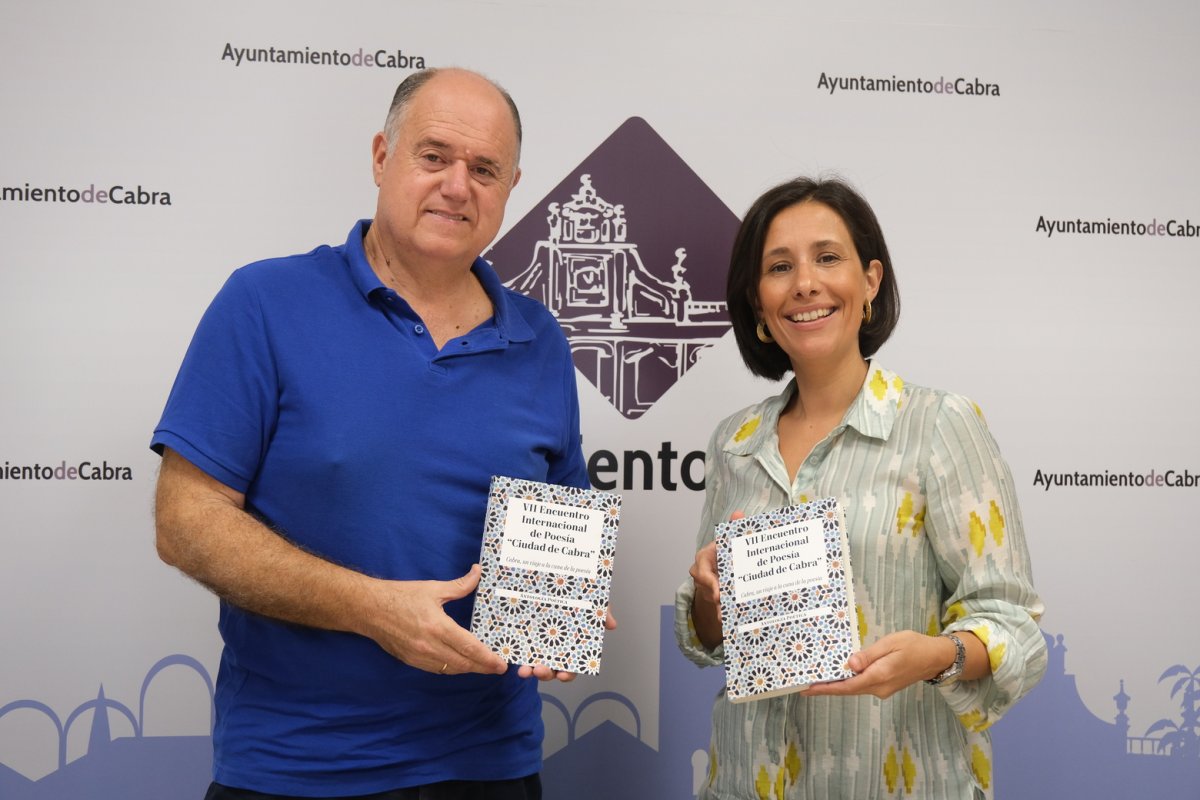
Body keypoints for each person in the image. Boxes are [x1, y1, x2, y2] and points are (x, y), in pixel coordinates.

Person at [152, 67, 606, 800]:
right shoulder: (264, 302)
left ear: (511, 187)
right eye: (434, 157)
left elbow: (559, 527)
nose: (457, 186)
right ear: (380, 157)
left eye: (484, 169)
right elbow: (185, 521)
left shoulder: (540, 338)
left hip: (491, 766)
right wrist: (374, 610)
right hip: (299, 769)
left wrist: (560, 607)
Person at [674, 177, 1046, 799]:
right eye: (779, 267)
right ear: (758, 301)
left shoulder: (939, 424)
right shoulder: (735, 442)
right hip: (744, 781)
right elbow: (708, 642)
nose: (805, 284)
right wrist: (712, 597)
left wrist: (938, 655)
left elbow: (1014, 627)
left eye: (827, 257)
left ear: (870, 280)